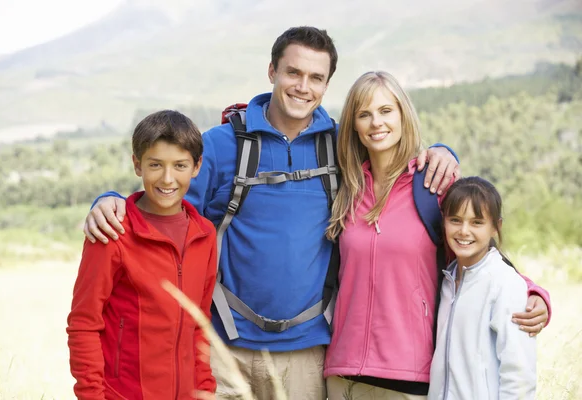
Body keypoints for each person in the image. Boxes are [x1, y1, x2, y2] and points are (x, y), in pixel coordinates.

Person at [83, 27, 459, 400]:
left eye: (316, 78)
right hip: (225, 347)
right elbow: (165, 199)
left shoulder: (343, 145)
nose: (302, 86)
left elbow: (392, 153)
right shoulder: (222, 143)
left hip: (307, 354)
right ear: (272, 72)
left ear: (326, 85)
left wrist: (443, 152)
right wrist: (111, 198)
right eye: (293, 73)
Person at [323, 71, 549, 400]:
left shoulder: (431, 185)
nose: (376, 123)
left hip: (408, 377)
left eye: (386, 111)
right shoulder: (347, 189)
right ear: (354, 125)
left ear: (403, 115)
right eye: (364, 114)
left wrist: (532, 291)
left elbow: (476, 245)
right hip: (343, 374)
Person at [67, 110, 217, 399]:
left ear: (197, 167)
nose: (168, 178)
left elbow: (200, 324)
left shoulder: (205, 234)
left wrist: (205, 390)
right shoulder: (112, 232)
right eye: (156, 164)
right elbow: (83, 324)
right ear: (137, 165)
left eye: (180, 165)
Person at [427, 176, 536, 400]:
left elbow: (519, 373)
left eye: (477, 222)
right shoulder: (446, 280)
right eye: (455, 220)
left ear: (496, 226)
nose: (464, 231)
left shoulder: (505, 283)